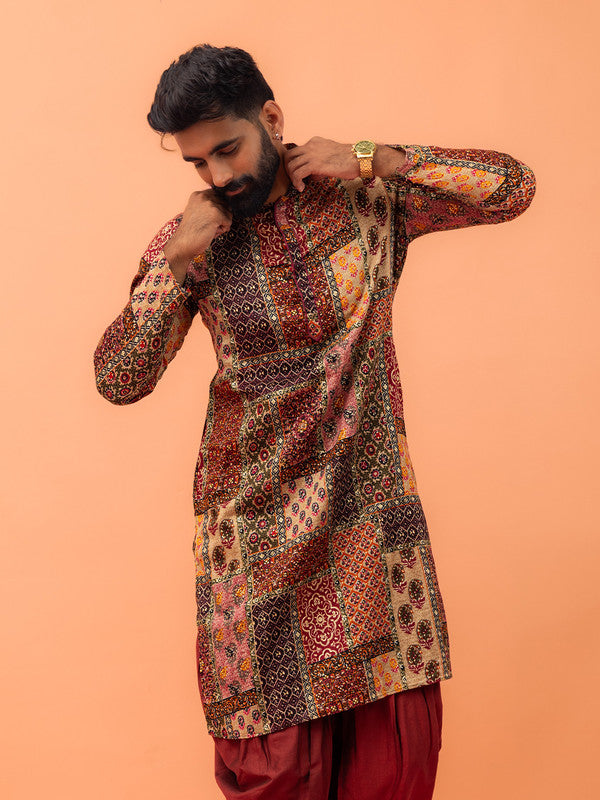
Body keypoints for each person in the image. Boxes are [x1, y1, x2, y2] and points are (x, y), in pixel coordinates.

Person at [94, 44, 535, 800]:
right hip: (253, 551)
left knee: (391, 777)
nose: (218, 177)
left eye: (227, 149)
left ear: (271, 118)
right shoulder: (193, 245)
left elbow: (512, 188)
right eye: (197, 163)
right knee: (271, 779)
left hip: (371, 533)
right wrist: (175, 263)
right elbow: (117, 379)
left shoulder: (364, 201)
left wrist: (375, 157)